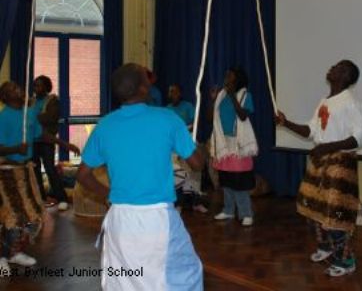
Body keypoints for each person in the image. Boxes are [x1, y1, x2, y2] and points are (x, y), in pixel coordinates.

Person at [77, 63, 204, 291]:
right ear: (144, 89)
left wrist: (109, 195)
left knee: (124, 281)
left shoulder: (105, 125)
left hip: (119, 220)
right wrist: (190, 142)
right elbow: (197, 164)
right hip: (157, 220)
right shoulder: (168, 119)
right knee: (183, 275)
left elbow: (83, 175)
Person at [276, 60, 362, 277]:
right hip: (321, 160)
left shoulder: (350, 103)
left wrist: (328, 146)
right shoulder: (324, 101)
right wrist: (285, 122)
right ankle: (326, 247)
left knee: (336, 214)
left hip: (339, 164)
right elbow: (312, 131)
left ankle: (346, 261)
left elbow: (360, 136)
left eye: (339, 67)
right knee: (316, 208)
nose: (333, 67)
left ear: (346, 77)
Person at [0, 81, 79, 276]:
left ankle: (14, 252)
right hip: (7, 172)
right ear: (5, 97)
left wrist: (64, 144)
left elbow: (41, 135)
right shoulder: (3, 117)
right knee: (9, 217)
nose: (20, 89)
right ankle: (2, 256)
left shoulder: (29, 113)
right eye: (13, 89)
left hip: (25, 171)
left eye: (18, 87)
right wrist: (14, 149)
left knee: (31, 214)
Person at [210, 67, 258, 227]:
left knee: (239, 182)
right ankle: (229, 210)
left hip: (238, 145)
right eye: (226, 75)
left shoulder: (245, 95)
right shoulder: (221, 95)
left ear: (237, 79)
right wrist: (213, 99)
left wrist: (232, 96)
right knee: (226, 181)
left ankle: (246, 213)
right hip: (224, 144)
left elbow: (243, 116)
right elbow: (213, 118)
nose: (226, 78)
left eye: (229, 76)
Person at [168, 84, 208, 213]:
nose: (172, 94)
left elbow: (194, 124)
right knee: (178, 174)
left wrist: (184, 131)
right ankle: (179, 203)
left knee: (193, 173)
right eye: (170, 92)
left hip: (187, 141)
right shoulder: (167, 110)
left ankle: (196, 202)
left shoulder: (188, 106)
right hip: (173, 146)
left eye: (174, 91)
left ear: (180, 93)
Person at [32, 75, 69, 211]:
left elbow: (50, 117)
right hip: (33, 140)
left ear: (47, 87)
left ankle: (62, 198)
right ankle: (41, 198)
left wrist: (33, 117)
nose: (36, 88)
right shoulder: (32, 101)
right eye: (35, 85)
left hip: (46, 140)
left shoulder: (52, 100)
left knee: (50, 169)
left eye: (39, 85)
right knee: (35, 170)